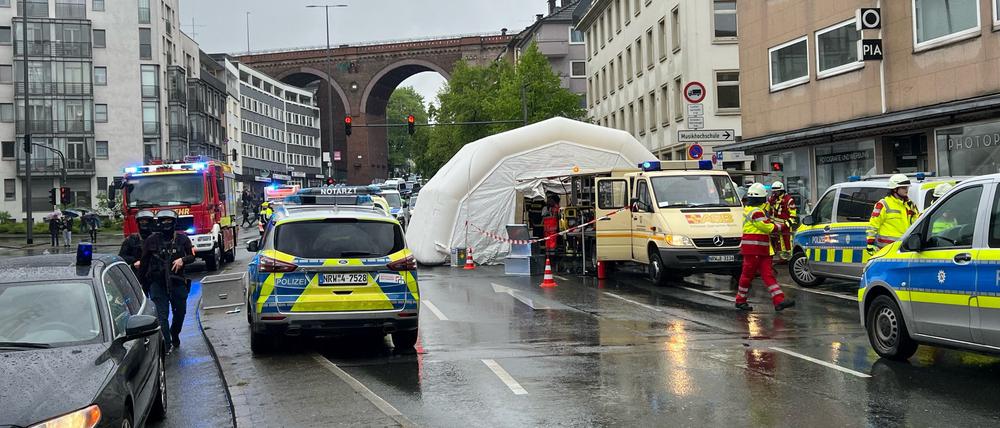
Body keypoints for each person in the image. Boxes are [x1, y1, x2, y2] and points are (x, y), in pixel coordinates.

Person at [141, 210, 195, 352]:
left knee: (180, 313)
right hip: (157, 283)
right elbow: (144, 263)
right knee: (161, 314)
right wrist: (142, 286)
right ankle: (167, 343)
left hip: (177, 282)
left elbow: (192, 256)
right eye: (163, 220)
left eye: (168, 221)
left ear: (174, 222)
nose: (166, 224)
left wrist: (182, 260)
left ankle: (174, 333)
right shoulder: (151, 241)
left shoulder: (182, 239)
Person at [736, 183, 795, 312]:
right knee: (749, 275)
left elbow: (768, 207)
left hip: (761, 250)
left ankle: (779, 301)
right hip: (755, 249)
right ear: (762, 198)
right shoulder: (756, 212)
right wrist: (784, 225)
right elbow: (768, 227)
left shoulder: (752, 208)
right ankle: (740, 300)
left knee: (766, 274)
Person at [867, 174, 918, 255]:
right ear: (895, 189)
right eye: (903, 187)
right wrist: (870, 243)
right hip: (886, 248)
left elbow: (916, 223)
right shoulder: (883, 204)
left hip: (904, 247)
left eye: (907, 187)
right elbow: (873, 225)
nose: (906, 189)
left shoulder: (910, 205)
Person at [119, 210, 156, 278]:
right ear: (138, 223)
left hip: (155, 275)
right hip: (137, 275)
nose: (144, 223)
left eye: (146, 221)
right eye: (142, 221)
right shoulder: (131, 239)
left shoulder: (158, 238)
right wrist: (135, 260)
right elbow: (122, 257)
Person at [766, 181, 798, 261]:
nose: (775, 193)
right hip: (774, 226)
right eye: (774, 191)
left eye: (777, 191)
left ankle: (789, 259)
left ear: (781, 190)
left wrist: (786, 225)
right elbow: (766, 210)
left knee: (787, 243)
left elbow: (793, 216)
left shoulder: (789, 200)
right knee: (777, 243)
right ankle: (781, 258)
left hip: (785, 226)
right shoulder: (771, 199)